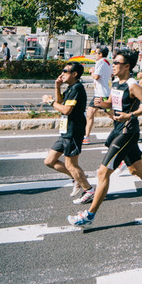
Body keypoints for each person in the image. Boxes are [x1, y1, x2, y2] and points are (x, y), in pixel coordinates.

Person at [68, 48, 142, 227]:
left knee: (102, 172)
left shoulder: (133, 85)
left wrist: (130, 115)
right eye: (114, 62)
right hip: (118, 129)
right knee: (136, 169)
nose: (113, 65)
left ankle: (89, 216)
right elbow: (116, 104)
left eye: (116, 63)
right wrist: (103, 104)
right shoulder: (116, 82)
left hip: (127, 132)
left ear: (127, 66)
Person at [42, 61, 94, 205]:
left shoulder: (77, 88)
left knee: (71, 164)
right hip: (65, 130)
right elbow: (61, 104)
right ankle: (77, 178)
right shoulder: (71, 88)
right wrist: (57, 87)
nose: (62, 73)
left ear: (74, 74)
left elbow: (66, 110)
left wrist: (49, 102)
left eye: (65, 71)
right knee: (49, 161)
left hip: (74, 130)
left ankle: (89, 190)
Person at [84, 46, 112, 144]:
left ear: (100, 54)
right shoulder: (108, 62)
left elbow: (96, 76)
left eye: (96, 53)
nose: (95, 54)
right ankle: (86, 137)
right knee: (90, 113)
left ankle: (126, 128)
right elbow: (111, 74)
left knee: (112, 115)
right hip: (101, 93)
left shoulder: (101, 62)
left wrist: (91, 71)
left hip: (102, 94)